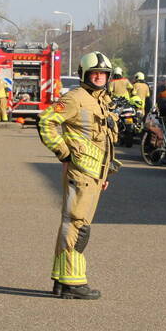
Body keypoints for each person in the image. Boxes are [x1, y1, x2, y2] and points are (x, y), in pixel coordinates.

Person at [37, 51, 119, 300]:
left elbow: (103, 141)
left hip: (94, 173)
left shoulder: (101, 100)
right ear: (84, 74)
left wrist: (104, 174)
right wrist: (63, 153)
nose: (99, 77)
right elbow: (46, 121)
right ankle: (73, 282)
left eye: (103, 74)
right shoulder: (75, 98)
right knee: (77, 225)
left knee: (74, 224)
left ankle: (62, 280)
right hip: (81, 171)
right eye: (94, 73)